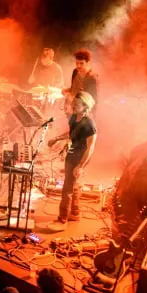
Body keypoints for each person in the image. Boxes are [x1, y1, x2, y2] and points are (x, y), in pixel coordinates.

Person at [47, 91, 96, 225]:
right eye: (73, 103)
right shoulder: (74, 117)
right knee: (73, 184)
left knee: (67, 187)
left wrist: (80, 166)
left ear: (85, 106)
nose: (73, 105)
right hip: (72, 153)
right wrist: (56, 139)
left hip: (81, 157)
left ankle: (62, 219)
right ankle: (75, 213)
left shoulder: (89, 124)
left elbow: (91, 147)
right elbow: (71, 133)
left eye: (76, 104)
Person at [63, 48, 99, 113]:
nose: (78, 66)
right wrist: (67, 90)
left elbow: (93, 101)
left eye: (81, 63)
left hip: (83, 113)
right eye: (77, 63)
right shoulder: (75, 71)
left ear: (87, 62)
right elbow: (74, 88)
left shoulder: (92, 78)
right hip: (72, 109)